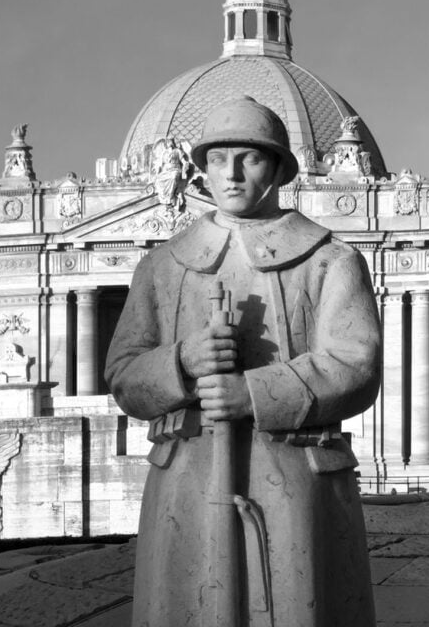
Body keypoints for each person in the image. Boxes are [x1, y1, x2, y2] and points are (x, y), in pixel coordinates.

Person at [105, 96, 380, 626]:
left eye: (250, 159)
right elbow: (123, 376)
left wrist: (253, 392)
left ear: (277, 167)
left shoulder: (331, 259)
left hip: (293, 473)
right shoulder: (161, 266)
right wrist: (183, 362)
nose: (230, 174)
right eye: (216, 159)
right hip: (187, 475)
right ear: (201, 168)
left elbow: (355, 366)